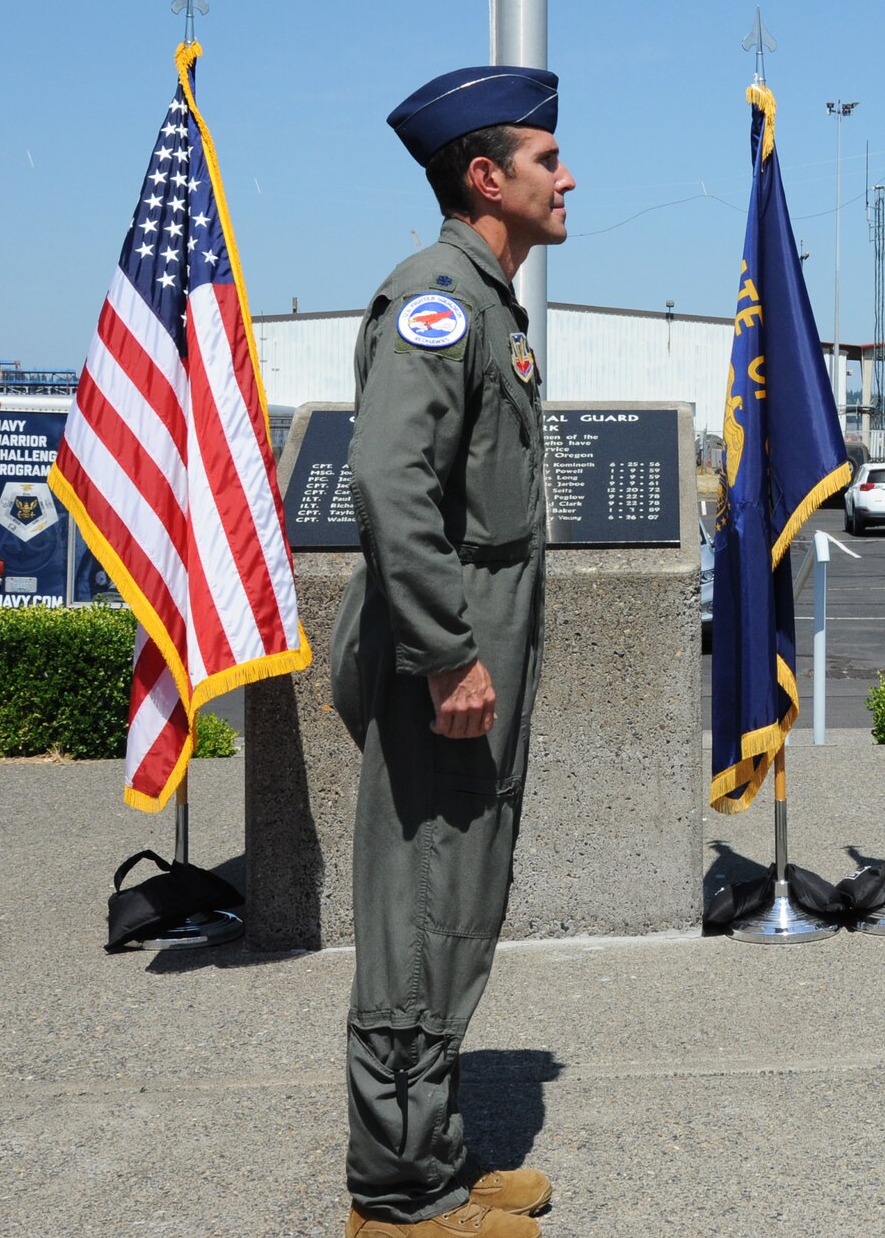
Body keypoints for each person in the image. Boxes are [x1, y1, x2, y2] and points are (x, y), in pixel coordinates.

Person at [330, 64, 574, 1238]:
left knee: (457, 895)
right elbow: (388, 483)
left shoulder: (483, 298)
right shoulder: (437, 293)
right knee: (422, 902)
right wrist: (444, 655)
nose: (567, 176)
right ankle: (394, 1192)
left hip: (477, 653)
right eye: (544, 159)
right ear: (487, 177)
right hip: (450, 664)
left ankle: (430, 1153)